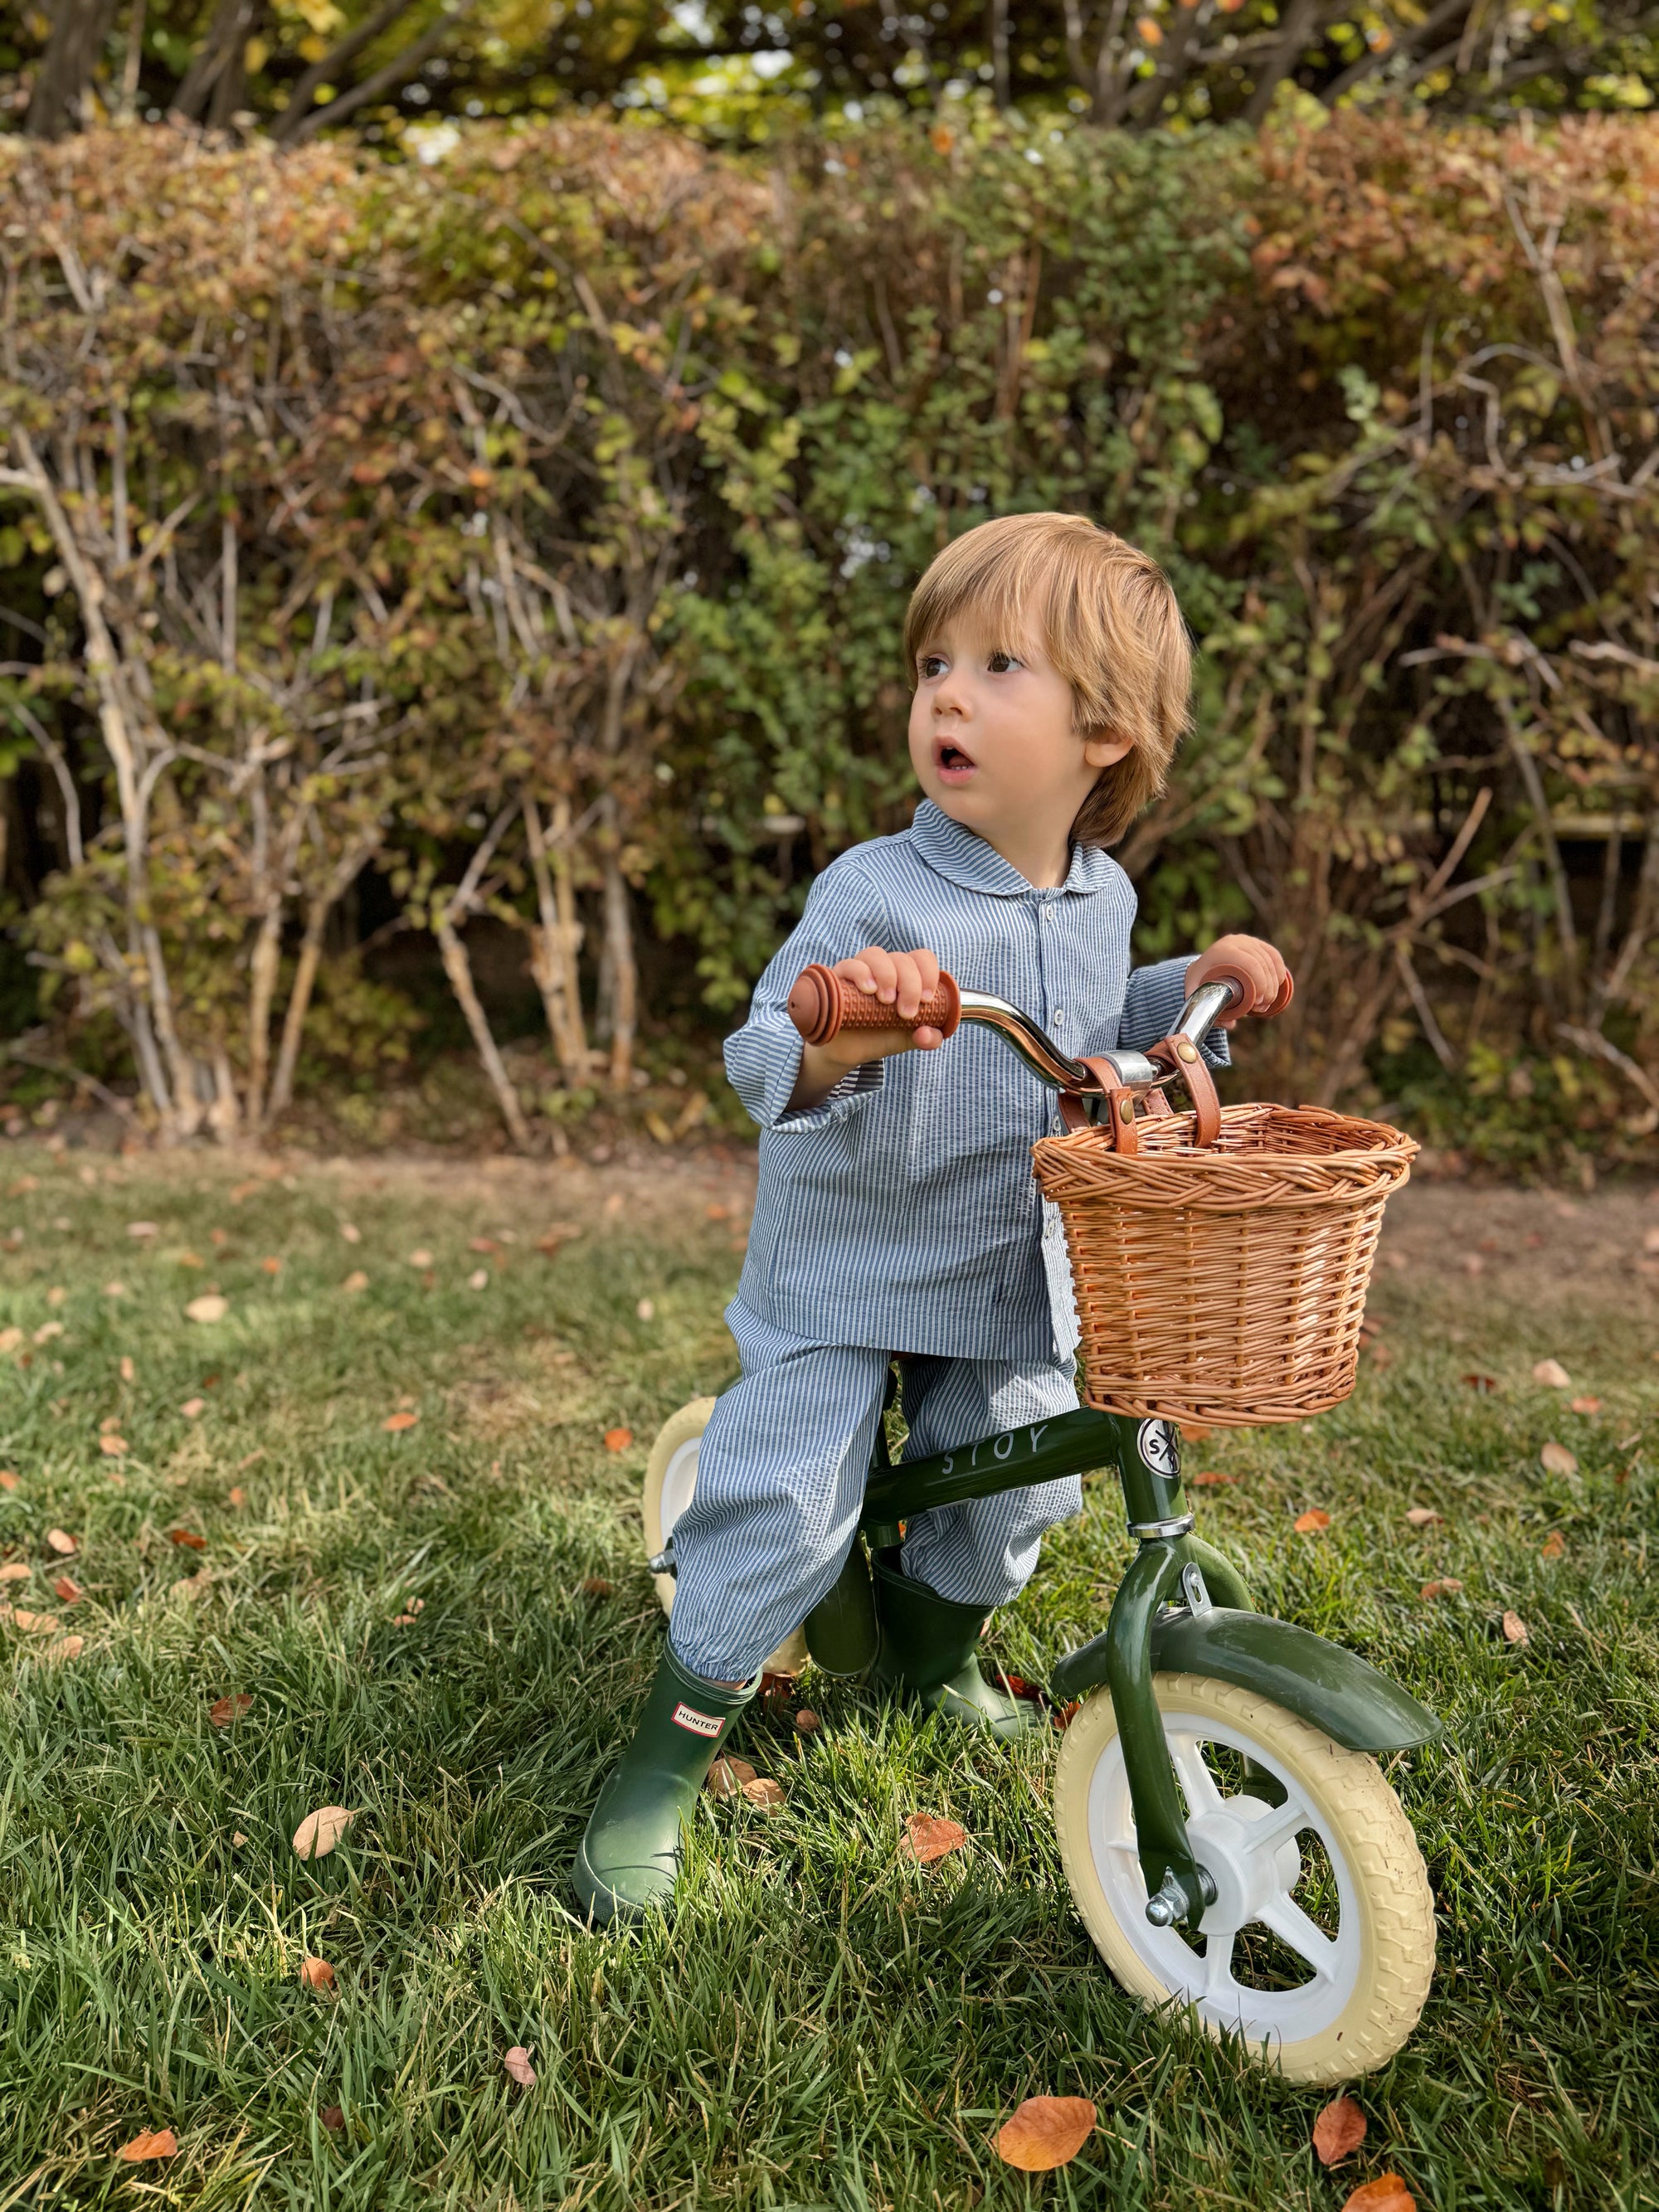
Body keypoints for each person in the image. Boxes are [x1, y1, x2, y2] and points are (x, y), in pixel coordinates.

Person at [572, 512, 1289, 1924]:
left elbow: (1095, 1019)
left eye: (996, 664)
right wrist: (843, 1039)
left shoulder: (1101, 893)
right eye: (932, 664)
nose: (945, 695)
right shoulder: (872, 890)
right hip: (850, 1267)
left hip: (1012, 1270)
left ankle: (926, 1659)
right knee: (781, 1503)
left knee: (1018, 1479)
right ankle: (664, 1756)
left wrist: (1192, 982)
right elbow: (759, 1053)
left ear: (1104, 734)